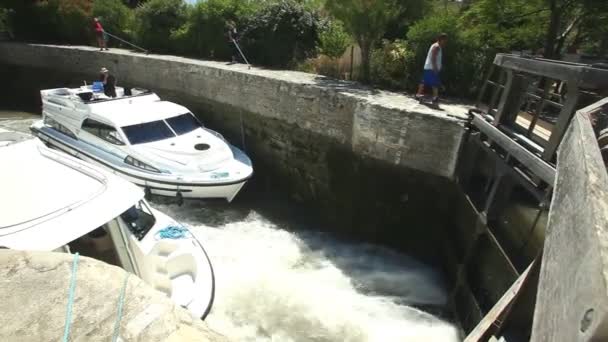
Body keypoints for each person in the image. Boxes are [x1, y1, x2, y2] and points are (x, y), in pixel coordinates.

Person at [416, 33, 448, 104]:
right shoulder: (436, 46)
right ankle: (434, 97)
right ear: (441, 39)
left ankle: (420, 95)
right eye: (444, 40)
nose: (445, 41)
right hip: (431, 68)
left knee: (426, 81)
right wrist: (435, 68)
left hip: (429, 67)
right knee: (433, 83)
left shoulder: (437, 46)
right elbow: (433, 58)